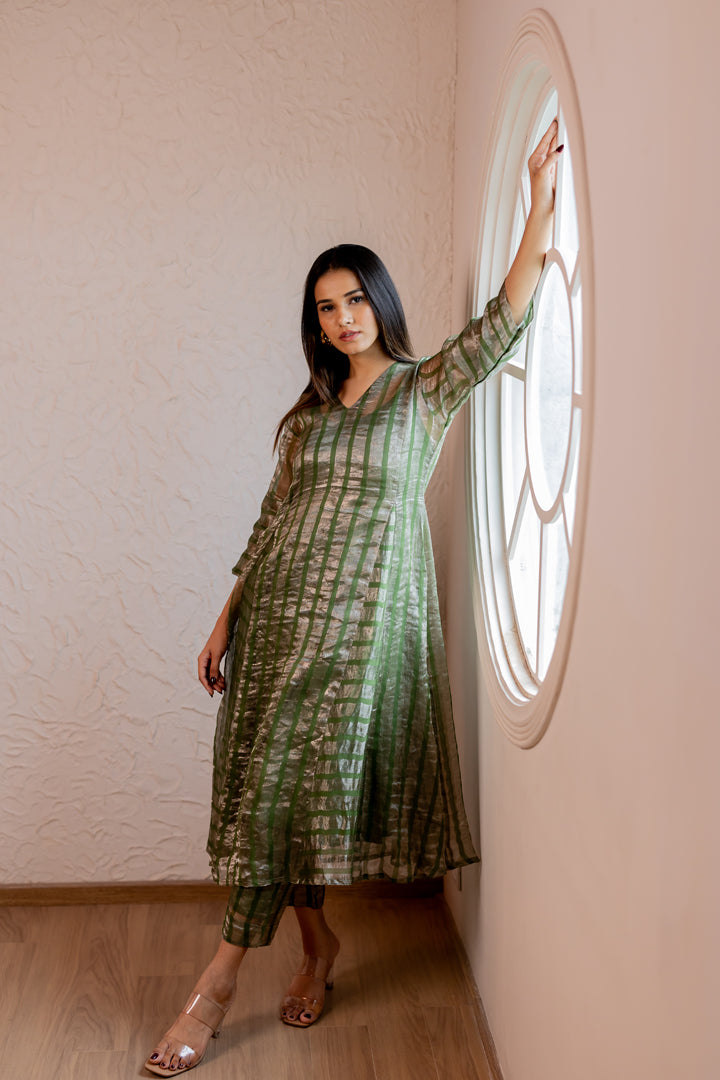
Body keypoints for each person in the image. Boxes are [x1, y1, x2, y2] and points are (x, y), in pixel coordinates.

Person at [144, 119, 562, 1077]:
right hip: (279, 621)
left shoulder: (424, 391)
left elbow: (506, 319)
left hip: (363, 631)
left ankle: (214, 988)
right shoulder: (306, 419)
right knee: (275, 791)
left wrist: (539, 200)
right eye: (326, 308)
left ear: (381, 300)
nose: (342, 319)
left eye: (355, 299)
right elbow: (272, 521)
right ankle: (317, 948)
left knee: (291, 788)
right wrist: (223, 619)